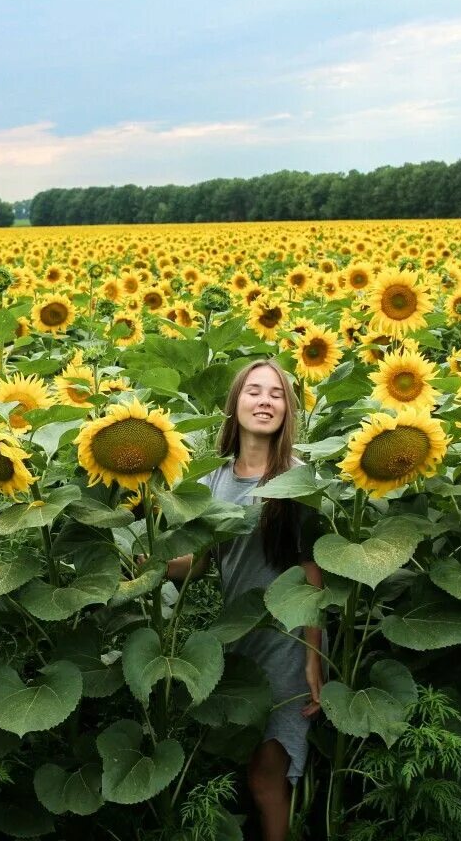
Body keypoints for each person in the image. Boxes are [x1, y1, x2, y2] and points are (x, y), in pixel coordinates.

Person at [165, 358, 325, 841]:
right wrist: (149, 558)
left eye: (276, 394)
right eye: (254, 391)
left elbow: (311, 569)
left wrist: (313, 658)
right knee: (249, 764)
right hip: (237, 635)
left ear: (288, 409)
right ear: (235, 405)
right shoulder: (214, 481)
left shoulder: (297, 479)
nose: (264, 401)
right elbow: (200, 563)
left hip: (287, 636)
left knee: (266, 772)